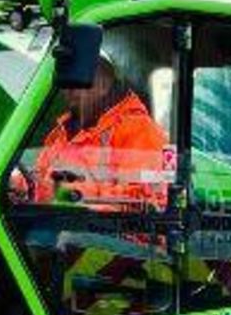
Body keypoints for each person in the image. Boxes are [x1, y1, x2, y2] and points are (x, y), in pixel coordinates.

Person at [24, 57, 173, 210]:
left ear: (104, 85)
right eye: (67, 84)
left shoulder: (140, 129)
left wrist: (72, 197)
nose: (69, 90)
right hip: (55, 223)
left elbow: (147, 200)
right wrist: (20, 183)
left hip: (102, 230)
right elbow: (40, 179)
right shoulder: (63, 131)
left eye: (78, 83)